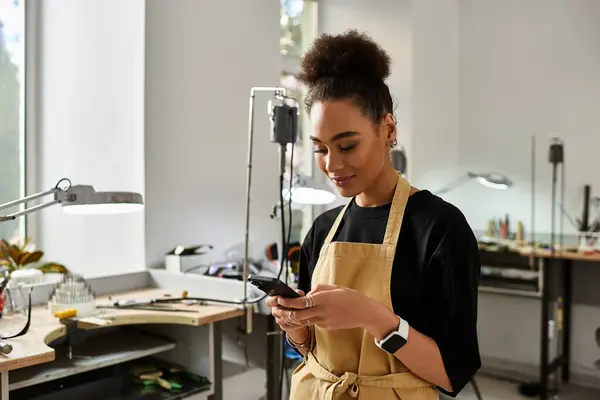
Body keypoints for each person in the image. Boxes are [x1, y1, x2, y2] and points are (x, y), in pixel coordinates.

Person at [266, 30, 481, 399]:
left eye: (347, 145)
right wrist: (295, 325)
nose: (332, 165)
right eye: (320, 149)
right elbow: (313, 350)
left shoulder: (440, 229)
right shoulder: (322, 230)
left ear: (388, 129)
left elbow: (450, 374)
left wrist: (373, 317)